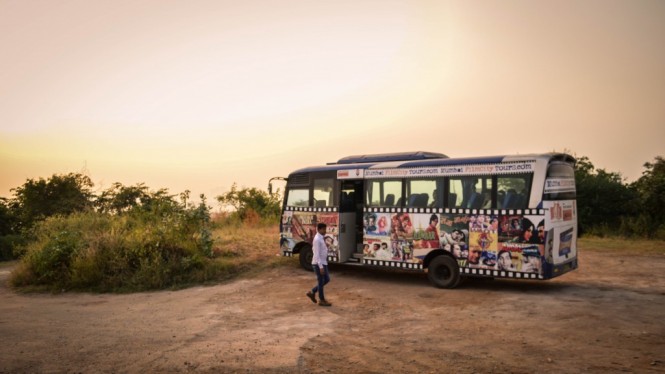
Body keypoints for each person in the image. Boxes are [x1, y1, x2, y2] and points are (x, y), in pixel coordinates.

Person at [306, 223, 332, 306]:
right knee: (321, 282)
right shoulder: (317, 239)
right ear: (319, 229)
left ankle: (312, 292)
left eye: (325, 229)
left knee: (327, 279)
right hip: (318, 264)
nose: (325, 231)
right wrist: (320, 267)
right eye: (323, 229)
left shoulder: (321, 238)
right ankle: (322, 300)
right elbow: (316, 254)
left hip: (323, 262)